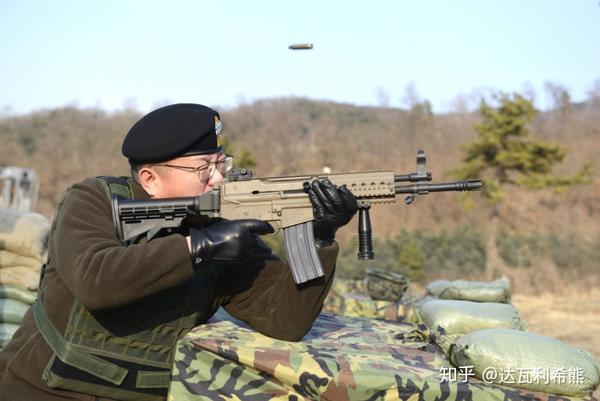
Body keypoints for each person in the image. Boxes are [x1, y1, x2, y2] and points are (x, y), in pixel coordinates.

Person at [0, 103, 358, 401]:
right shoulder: (94, 201)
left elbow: (285, 320)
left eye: (221, 164)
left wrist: (318, 238)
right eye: (203, 168)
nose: (217, 178)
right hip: (39, 387)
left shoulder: (219, 225)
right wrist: (197, 247)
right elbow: (97, 281)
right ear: (150, 179)